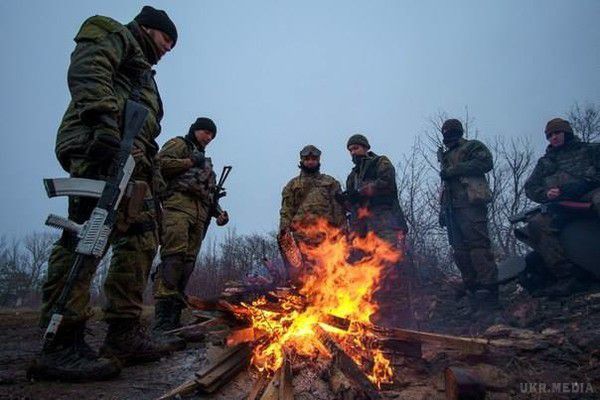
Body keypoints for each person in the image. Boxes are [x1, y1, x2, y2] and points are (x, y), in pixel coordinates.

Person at [29, 6, 178, 381]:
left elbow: (146, 127)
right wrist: (101, 123)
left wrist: (152, 173)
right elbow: (88, 68)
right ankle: (62, 341)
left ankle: (124, 332)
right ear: (147, 28)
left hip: (134, 162)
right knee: (86, 237)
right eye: (165, 40)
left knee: (142, 239)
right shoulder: (115, 34)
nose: (167, 49)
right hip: (101, 148)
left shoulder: (145, 74)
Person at [152, 118, 229, 342]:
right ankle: (162, 324)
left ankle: (174, 321)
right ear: (195, 130)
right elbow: (159, 164)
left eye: (211, 135)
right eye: (206, 132)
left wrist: (219, 213)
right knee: (173, 259)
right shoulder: (179, 145)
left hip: (199, 214)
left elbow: (207, 192)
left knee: (187, 264)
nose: (208, 138)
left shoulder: (205, 161)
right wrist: (189, 161)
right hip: (177, 208)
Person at [522, 117, 600, 296]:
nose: (553, 138)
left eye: (557, 133)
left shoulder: (589, 150)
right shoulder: (545, 163)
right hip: (563, 204)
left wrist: (587, 183)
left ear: (567, 132)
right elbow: (531, 187)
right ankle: (567, 276)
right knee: (537, 224)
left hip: (591, 193)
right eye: (549, 136)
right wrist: (546, 194)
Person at [344, 134, 409, 326]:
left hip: (384, 223)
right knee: (364, 269)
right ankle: (373, 312)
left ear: (365, 147)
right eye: (350, 150)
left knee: (388, 265)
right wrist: (346, 200)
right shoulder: (352, 176)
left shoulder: (381, 162)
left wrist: (362, 191)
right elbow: (353, 204)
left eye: (356, 148)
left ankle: (394, 315)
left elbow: (386, 184)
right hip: (362, 230)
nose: (353, 152)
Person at [437, 119, 498, 305]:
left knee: (478, 247)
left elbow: (485, 162)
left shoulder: (472, 146)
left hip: (471, 204)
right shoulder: (446, 155)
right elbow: (446, 186)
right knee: (460, 251)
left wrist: (454, 170)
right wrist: (442, 209)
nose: (449, 133)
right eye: (446, 130)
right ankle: (472, 288)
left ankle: (489, 290)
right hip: (452, 208)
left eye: (452, 130)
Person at [278, 145, 346, 280]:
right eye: (307, 159)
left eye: (314, 158)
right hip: (300, 237)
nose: (310, 161)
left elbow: (338, 209)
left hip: (326, 237)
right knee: (301, 277)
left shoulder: (330, 182)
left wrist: (342, 231)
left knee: (329, 274)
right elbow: (286, 210)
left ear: (318, 160)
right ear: (302, 161)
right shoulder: (292, 185)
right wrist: (284, 231)